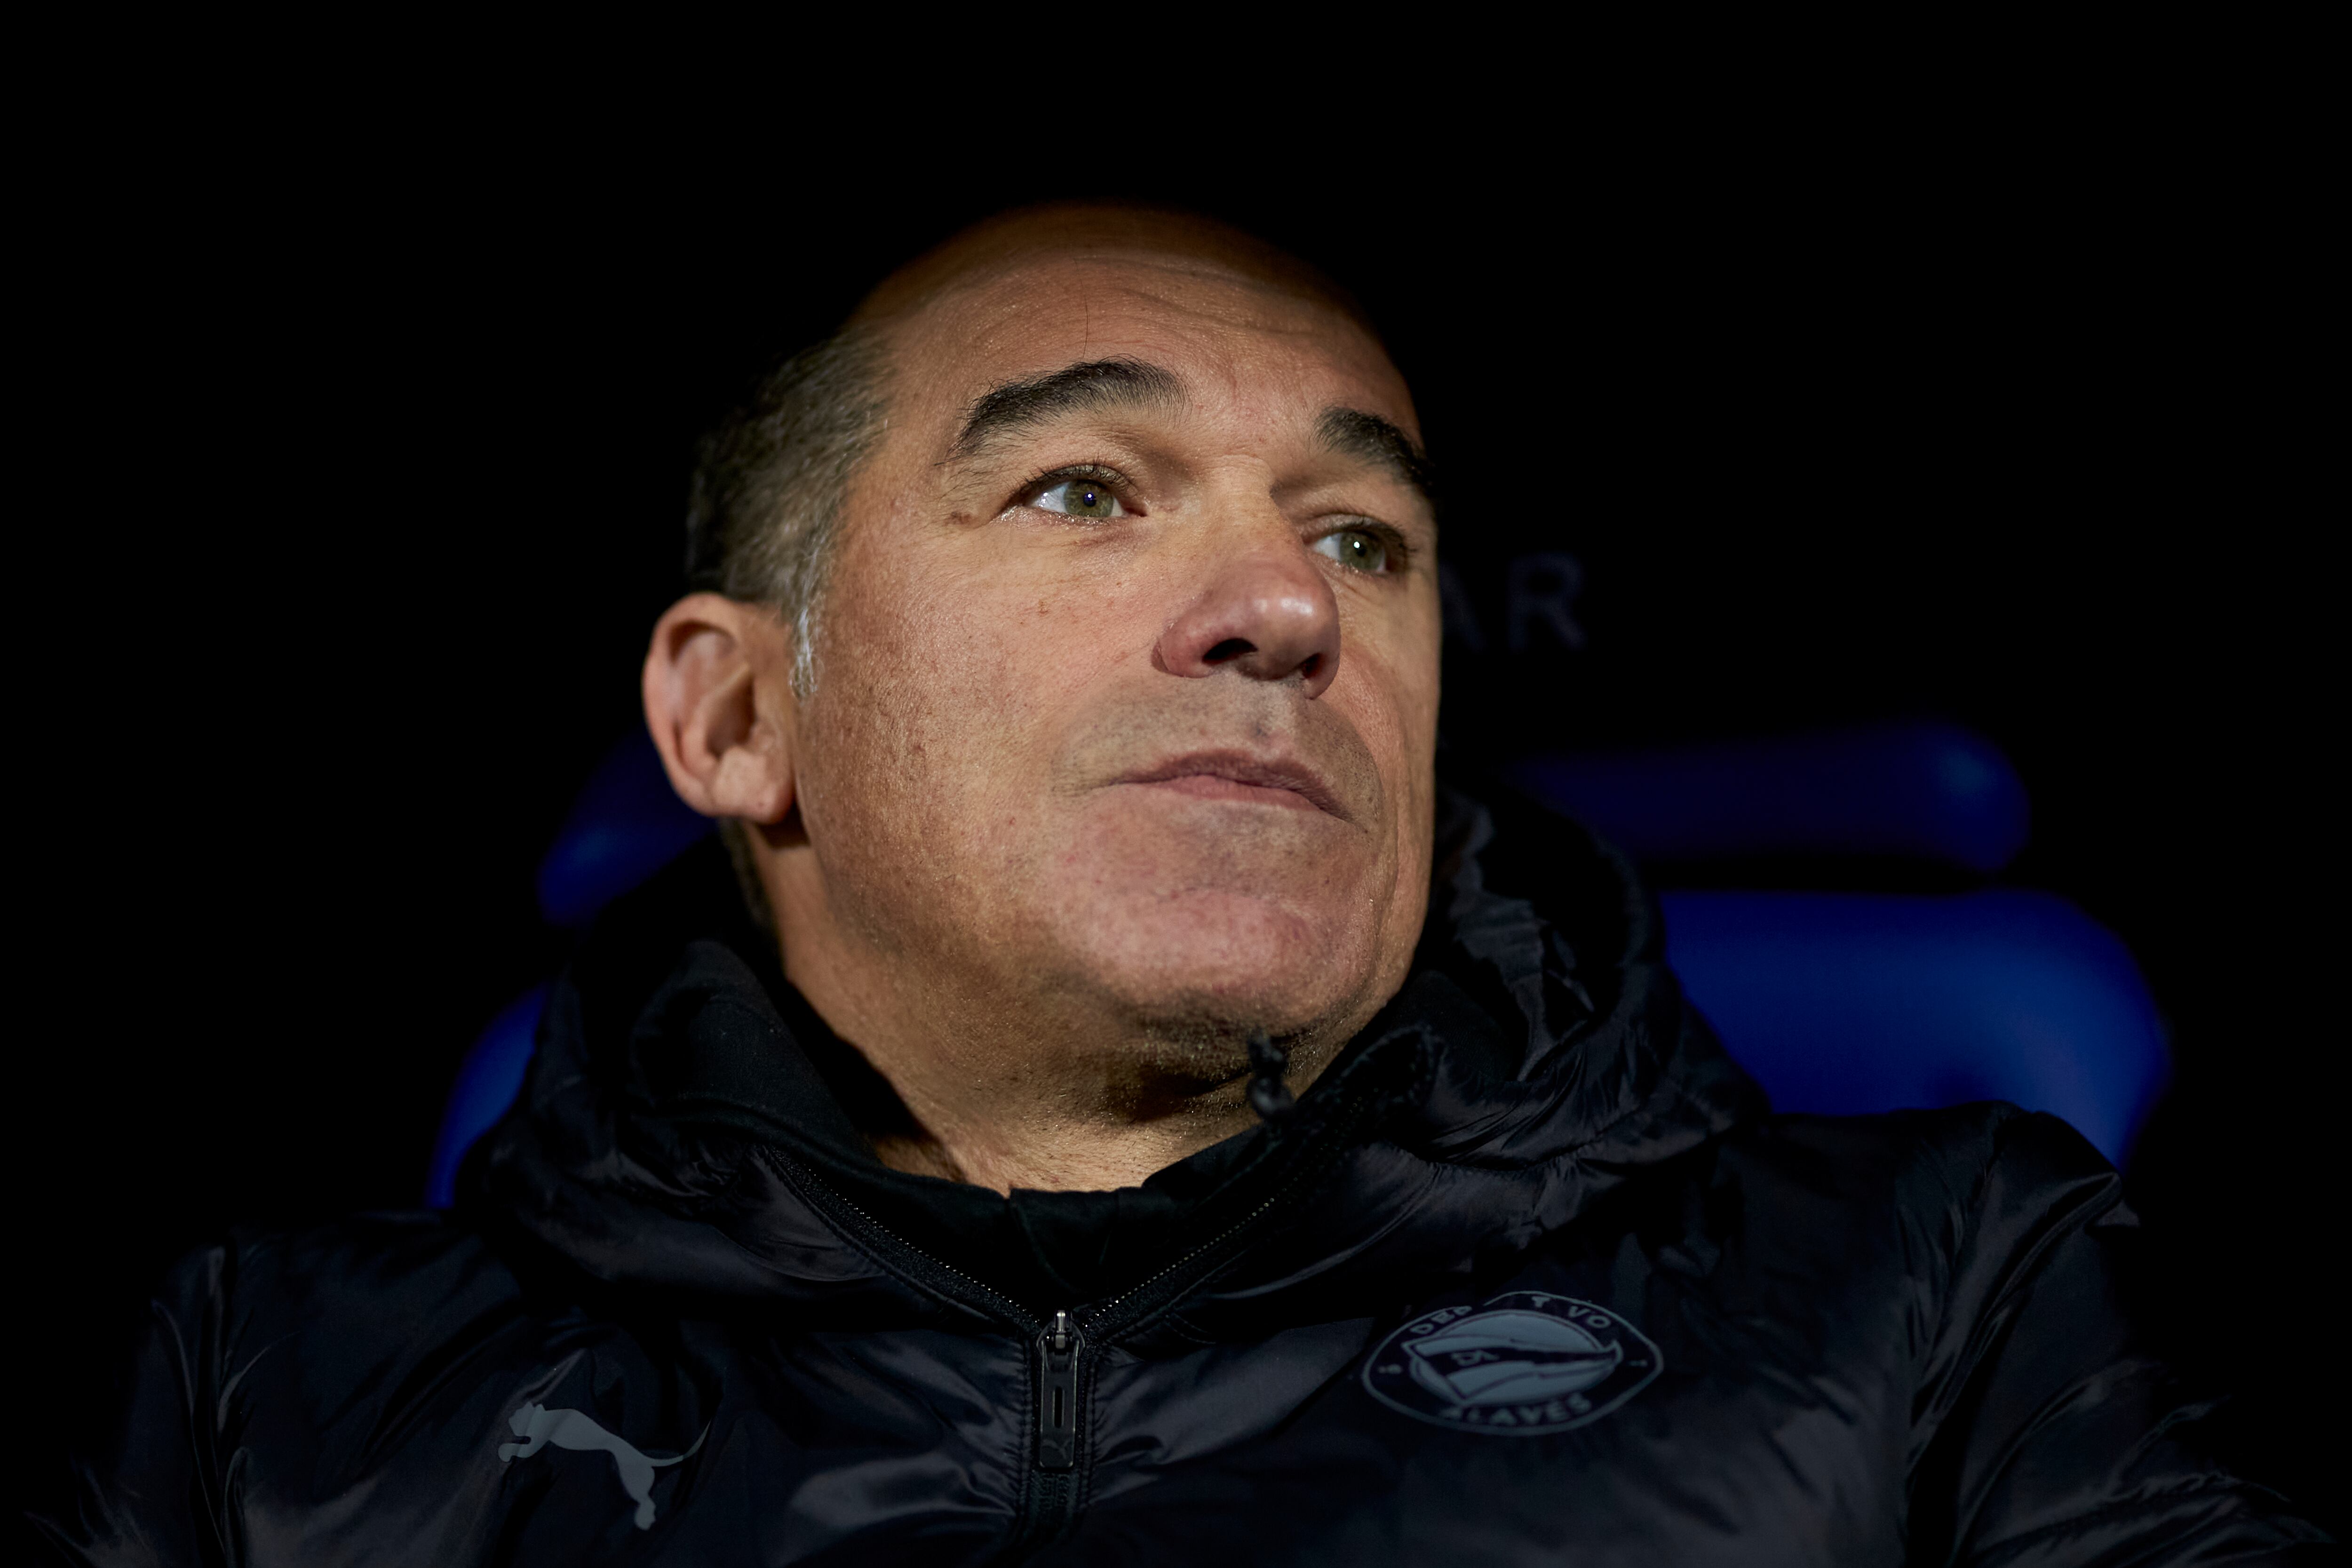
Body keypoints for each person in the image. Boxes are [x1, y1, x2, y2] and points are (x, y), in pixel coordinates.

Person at [32, 205, 2329, 1565]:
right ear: (734, 720)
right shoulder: (270, 1397)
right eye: (1081, 493)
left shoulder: (1936, 1300)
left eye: (1362, 537)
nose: (1285, 611)